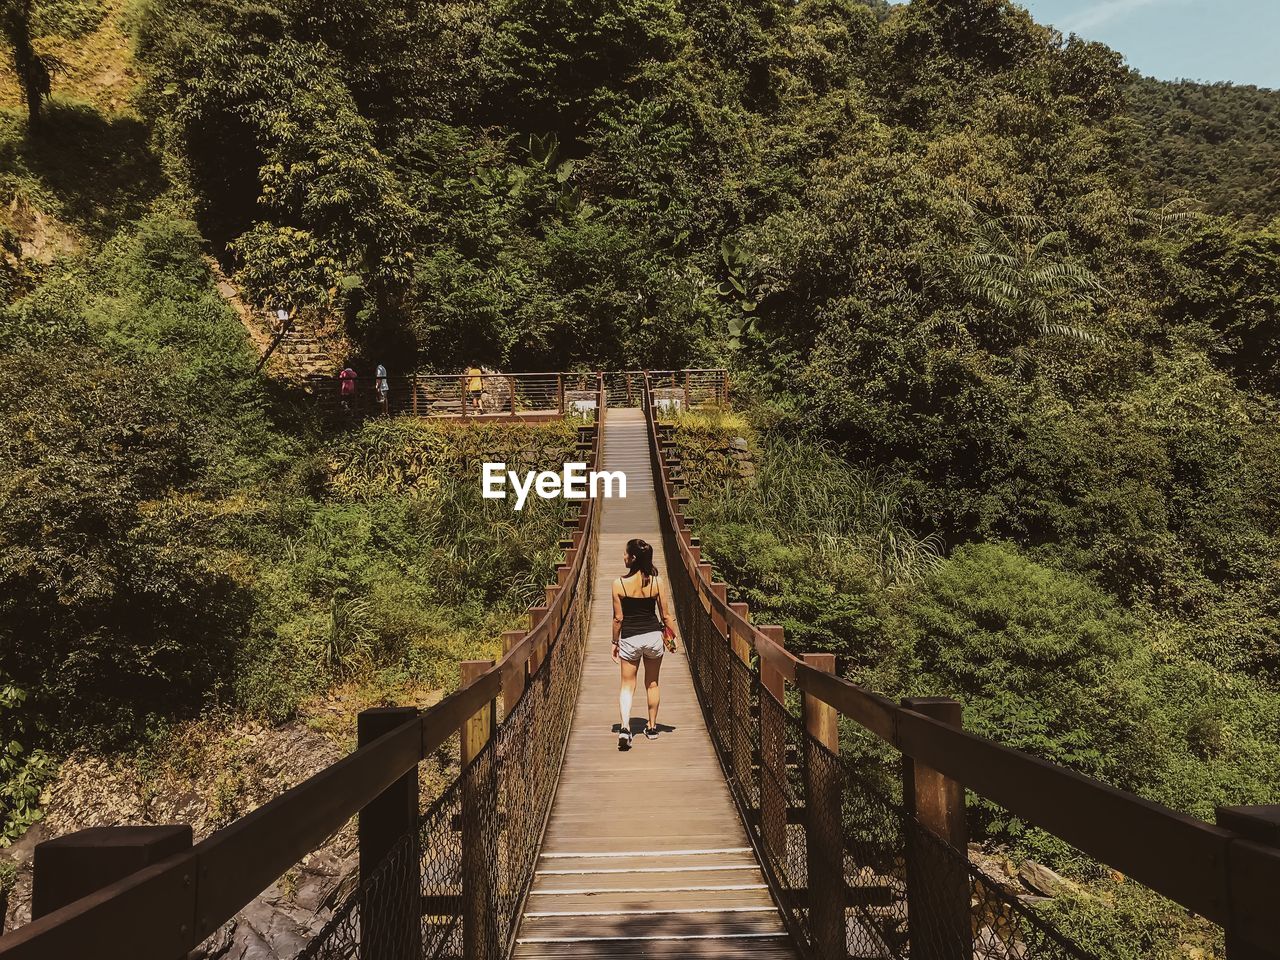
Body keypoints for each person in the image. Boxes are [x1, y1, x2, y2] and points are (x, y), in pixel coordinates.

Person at [611, 538, 680, 750]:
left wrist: (615, 641)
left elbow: (618, 619)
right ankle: (651, 728)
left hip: (630, 638)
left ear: (632, 558)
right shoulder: (657, 582)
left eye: (625, 554)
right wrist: (673, 638)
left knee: (627, 685)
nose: (623, 557)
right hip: (653, 637)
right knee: (652, 683)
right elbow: (666, 615)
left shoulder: (619, 584)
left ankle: (624, 728)